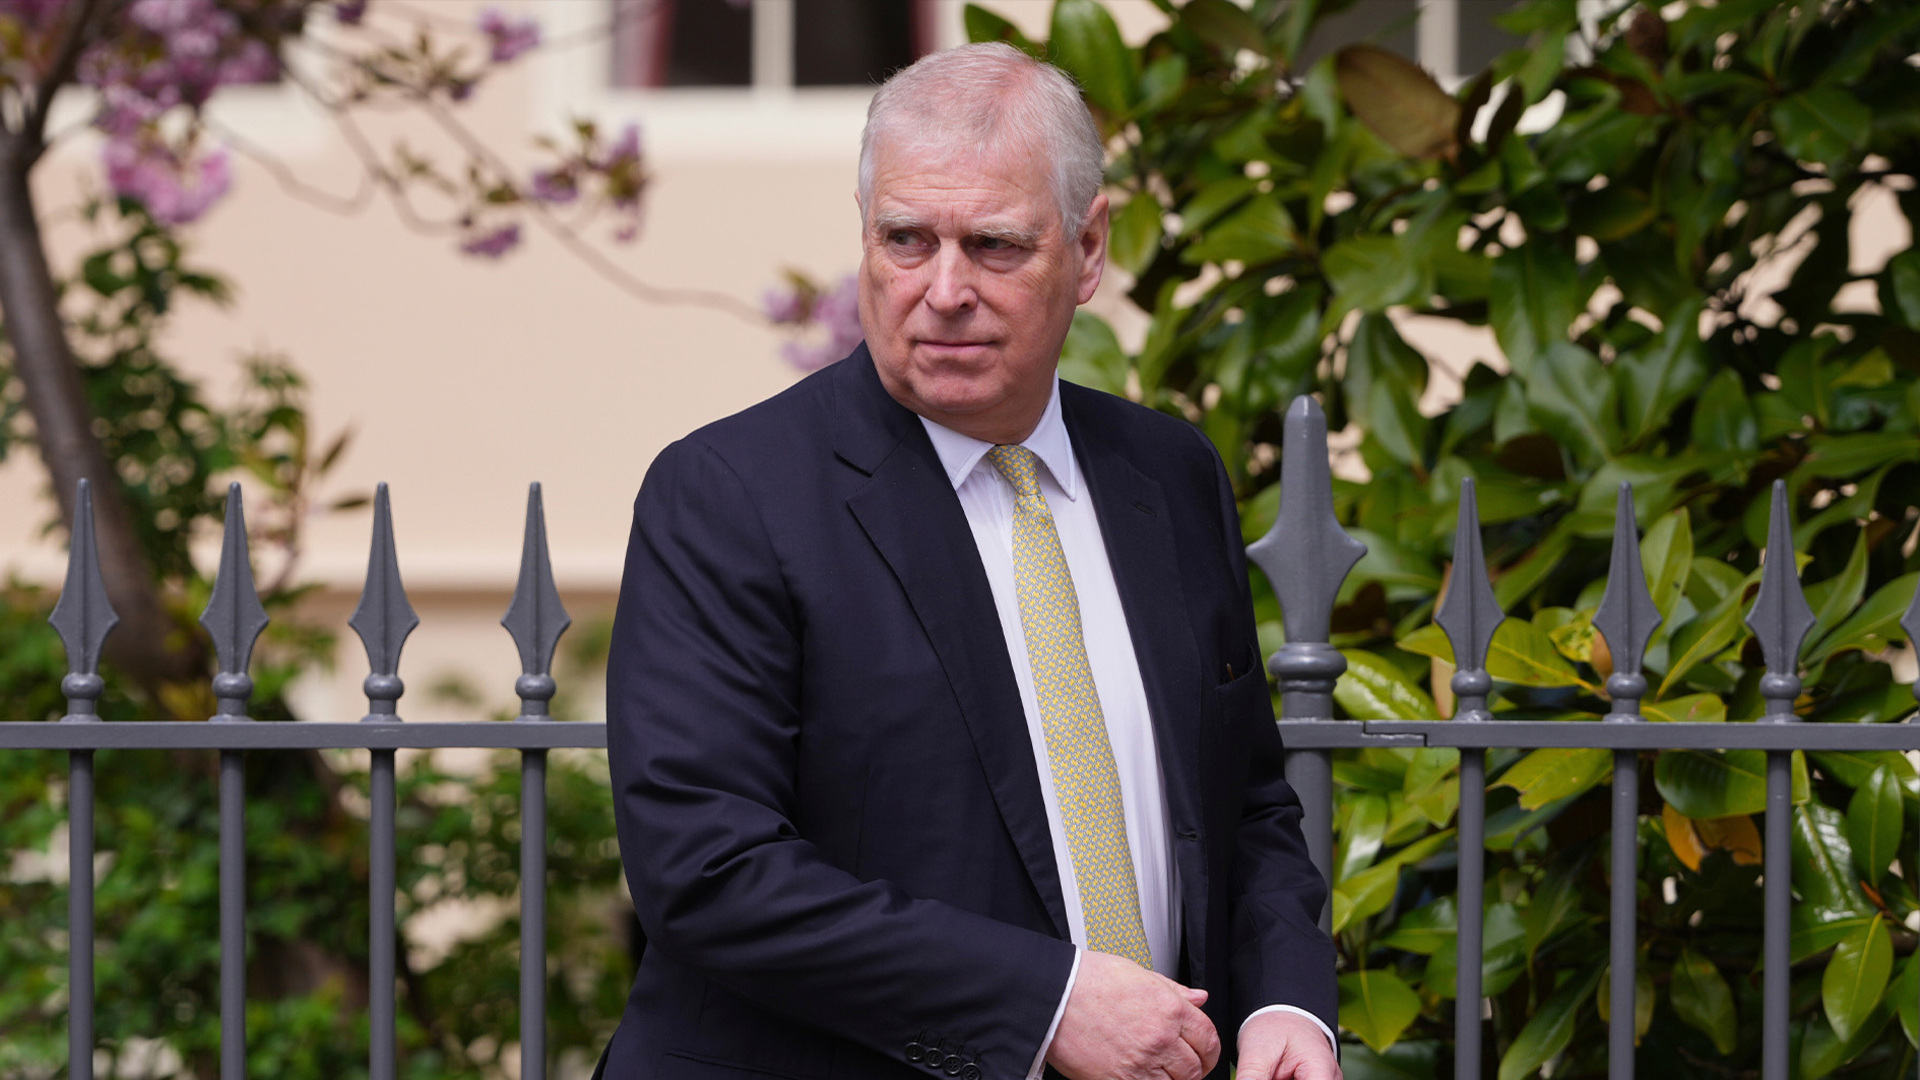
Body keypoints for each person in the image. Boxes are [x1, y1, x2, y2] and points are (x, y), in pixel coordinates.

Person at [600, 42, 1339, 1080]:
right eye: (906, 239)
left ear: (1088, 249)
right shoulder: (731, 494)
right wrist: (1047, 1005)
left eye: (993, 246)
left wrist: (1286, 1004)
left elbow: (1248, 803)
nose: (943, 290)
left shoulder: (1168, 475)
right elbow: (708, 869)